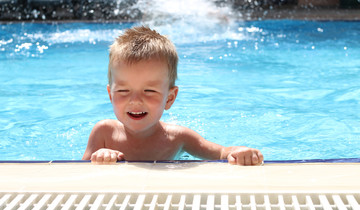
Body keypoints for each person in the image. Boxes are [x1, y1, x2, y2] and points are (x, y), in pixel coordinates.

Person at [82, 26, 263, 165]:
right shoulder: (104, 133)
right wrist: (99, 159)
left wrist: (238, 152)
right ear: (111, 95)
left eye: (149, 91)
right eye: (123, 91)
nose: (135, 100)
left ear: (169, 98)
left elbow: (221, 153)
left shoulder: (179, 138)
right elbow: (77, 174)